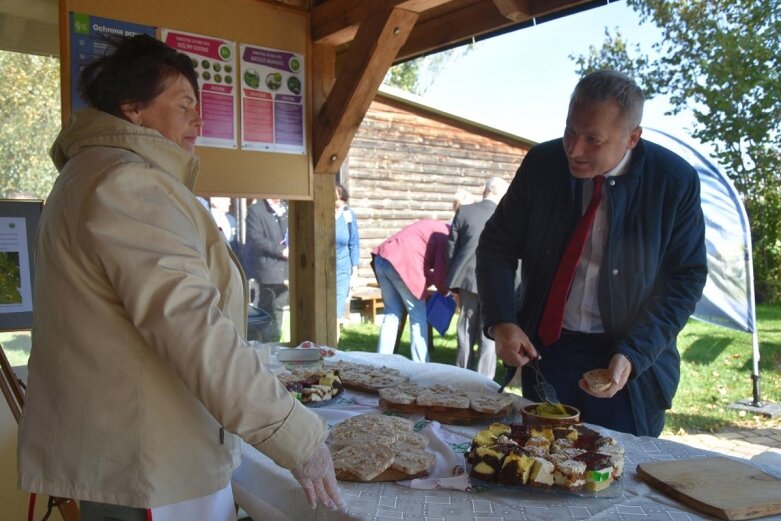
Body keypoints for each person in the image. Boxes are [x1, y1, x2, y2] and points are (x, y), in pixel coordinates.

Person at [17, 34, 342, 520]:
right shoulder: (128, 184)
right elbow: (193, 328)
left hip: (130, 447)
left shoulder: (89, 175)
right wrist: (297, 435)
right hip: (149, 460)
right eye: (184, 103)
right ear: (133, 109)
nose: (198, 118)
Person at [476, 70, 708, 437]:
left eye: (592, 139)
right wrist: (503, 319)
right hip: (548, 353)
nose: (574, 149)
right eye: (570, 131)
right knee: (539, 469)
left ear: (632, 138)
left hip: (628, 362)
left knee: (619, 478)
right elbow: (496, 246)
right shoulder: (542, 165)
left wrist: (634, 353)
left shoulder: (673, 181)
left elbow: (685, 279)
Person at [446, 176, 509, 379]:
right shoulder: (505, 215)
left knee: (465, 328)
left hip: (467, 278)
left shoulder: (465, 211)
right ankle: (483, 378)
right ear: (501, 194)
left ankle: (461, 373)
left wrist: (453, 282)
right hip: (495, 281)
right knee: (490, 330)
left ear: (485, 190)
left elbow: (451, 248)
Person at [372, 219, 450, 363]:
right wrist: (448, 292)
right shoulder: (446, 235)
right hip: (403, 262)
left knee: (391, 315)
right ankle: (421, 366)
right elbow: (440, 275)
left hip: (382, 257)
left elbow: (425, 264)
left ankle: (381, 362)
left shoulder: (434, 227)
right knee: (418, 317)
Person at [245, 198, 289, 342]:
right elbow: (256, 238)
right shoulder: (256, 210)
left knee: (280, 308)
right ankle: (266, 346)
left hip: (287, 269)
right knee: (268, 308)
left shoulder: (286, 208)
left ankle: (275, 342)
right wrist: (281, 251)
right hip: (268, 269)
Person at [335, 183, 360, 325]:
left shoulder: (347, 214)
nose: (340, 207)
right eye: (338, 204)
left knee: (336, 314)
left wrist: (354, 271)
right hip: (323, 268)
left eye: (343, 203)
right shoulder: (322, 214)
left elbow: (354, 242)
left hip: (343, 268)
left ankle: (332, 345)